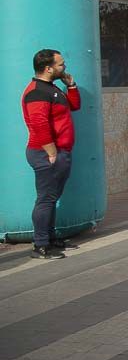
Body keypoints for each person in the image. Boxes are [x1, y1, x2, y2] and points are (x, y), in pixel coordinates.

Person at [22, 49, 81, 259]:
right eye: (61, 64)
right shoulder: (37, 91)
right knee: (46, 199)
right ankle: (40, 245)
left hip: (59, 152)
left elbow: (74, 106)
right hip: (45, 153)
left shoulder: (52, 89)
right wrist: (51, 151)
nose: (64, 67)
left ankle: (49, 237)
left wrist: (71, 85)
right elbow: (38, 123)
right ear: (48, 68)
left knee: (51, 198)